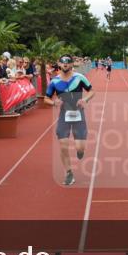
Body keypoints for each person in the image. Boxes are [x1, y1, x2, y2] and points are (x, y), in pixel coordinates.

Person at [44, 55, 94, 186]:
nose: (65, 64)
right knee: (63, 145)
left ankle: (80, 150)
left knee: (80, 146)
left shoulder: (79, 78)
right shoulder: (54, 81)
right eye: (63, 62)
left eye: (68, 62)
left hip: (78, 114)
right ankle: (69, 173)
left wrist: (85, 99)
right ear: (59, 64)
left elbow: (91, 91)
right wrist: (54, 103)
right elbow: (46, 98)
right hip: (64, 115)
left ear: (72, 64)